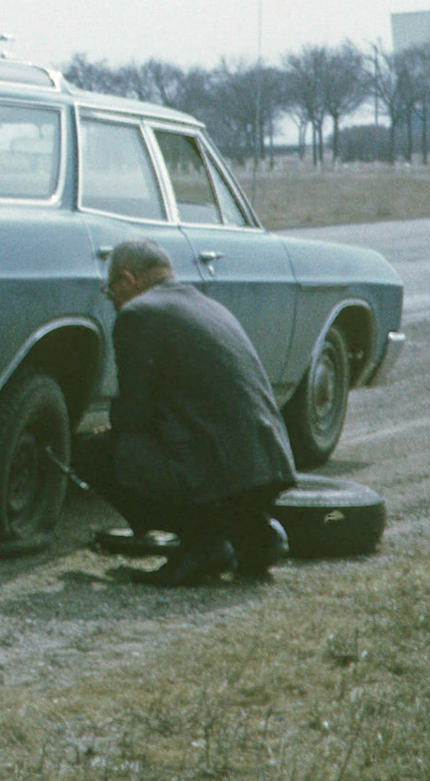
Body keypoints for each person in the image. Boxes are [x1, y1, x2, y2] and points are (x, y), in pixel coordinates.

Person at [78, 238, 298, 586]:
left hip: (219, 474)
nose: (114, 303)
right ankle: (257, 534)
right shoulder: (209, 305)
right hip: (269, 466)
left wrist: (108, 430)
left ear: (127, 280)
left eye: (111, 293)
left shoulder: (138, 314)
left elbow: (133, 416)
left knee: (94, 453)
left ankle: (202, 545)